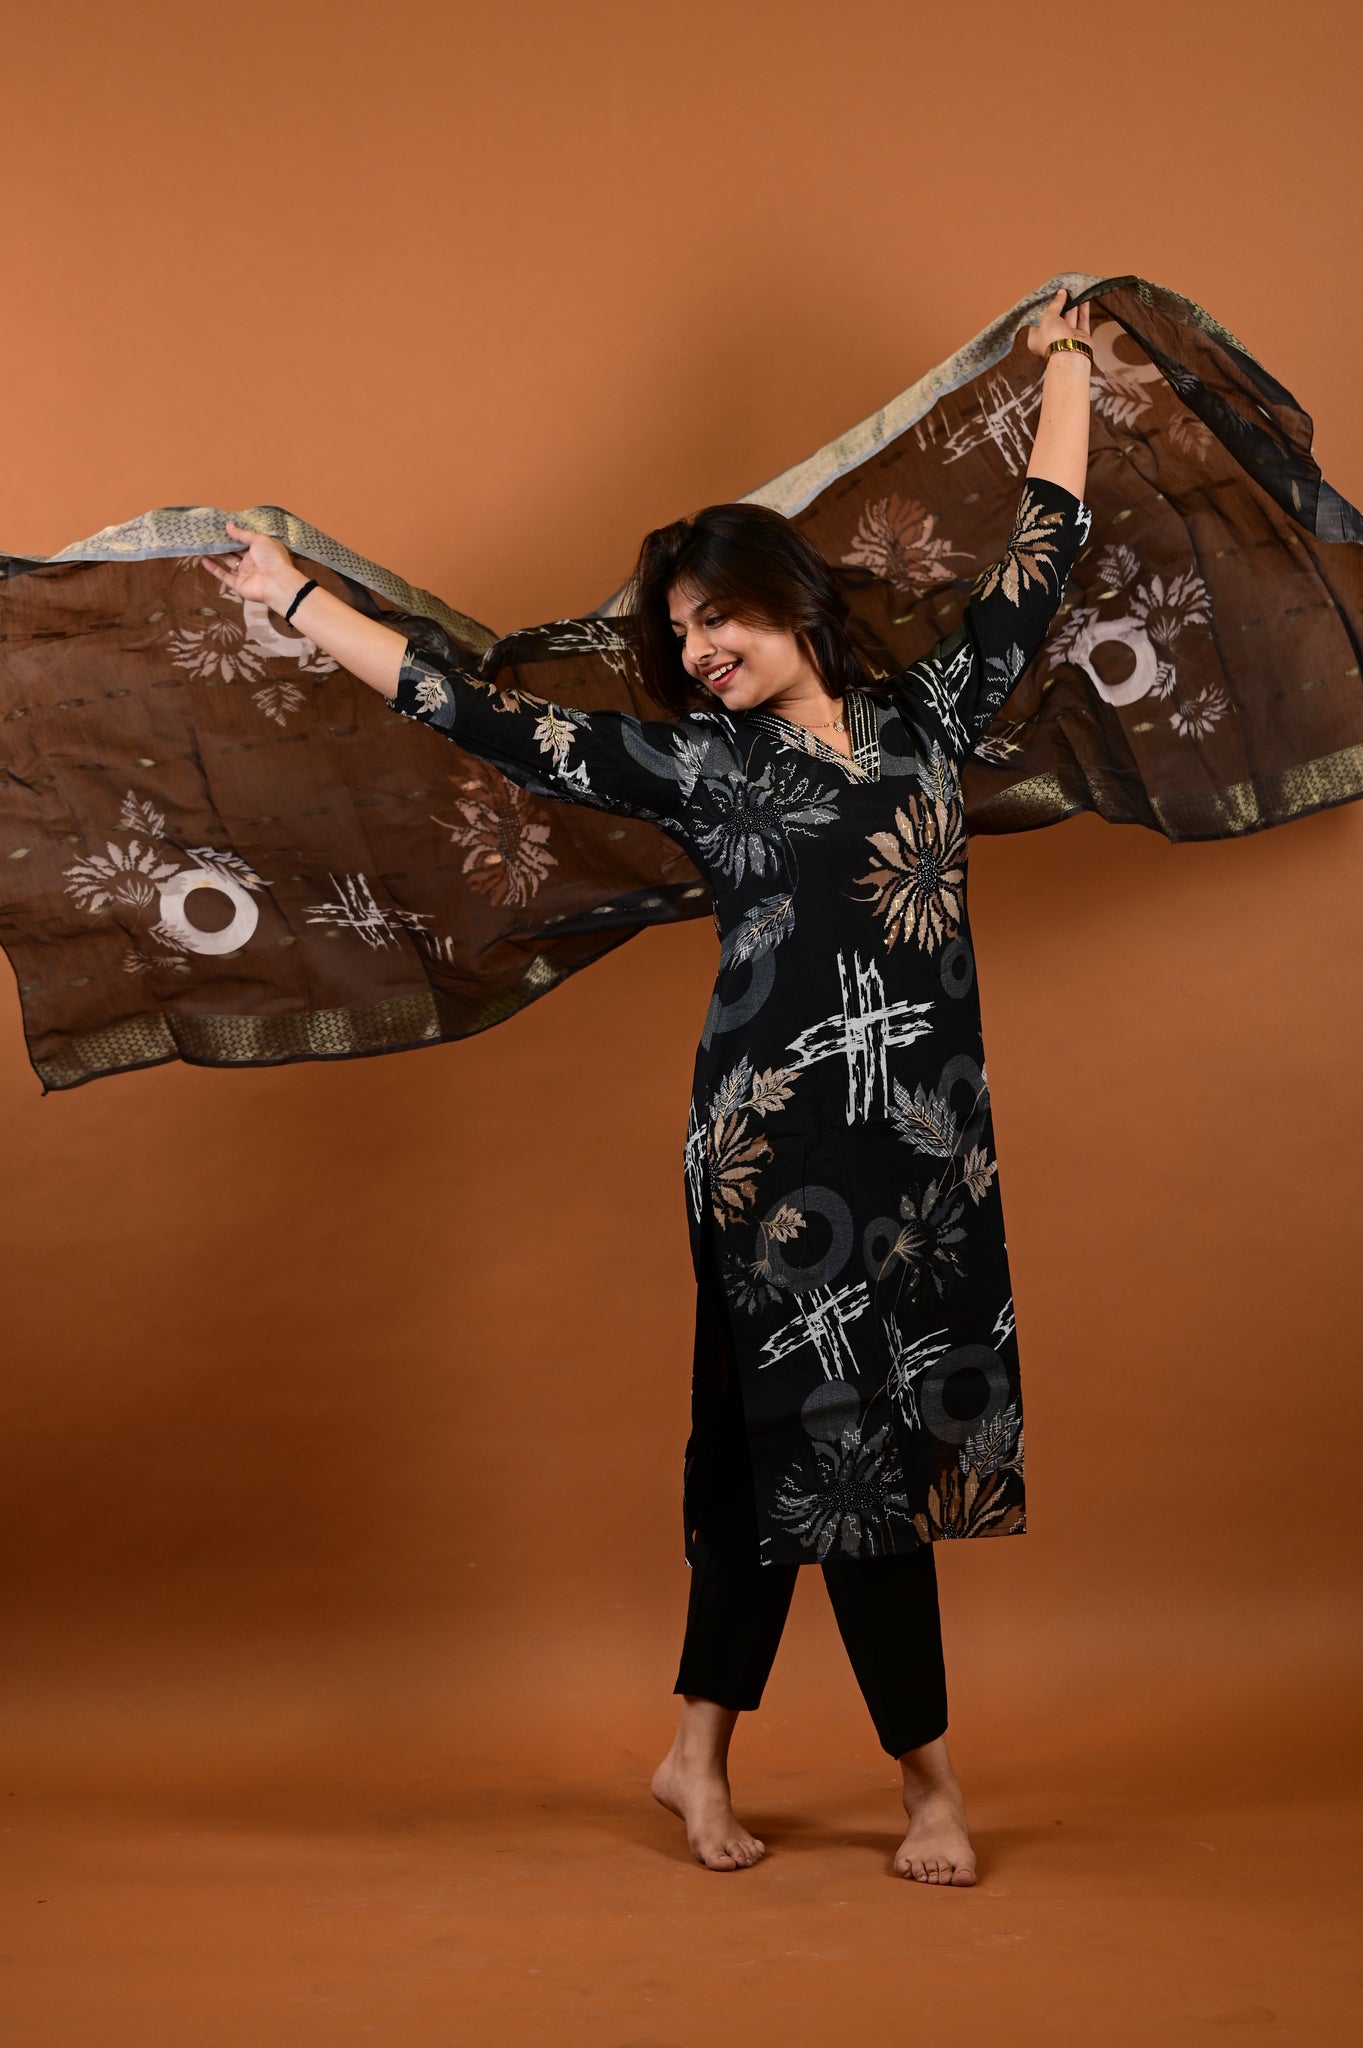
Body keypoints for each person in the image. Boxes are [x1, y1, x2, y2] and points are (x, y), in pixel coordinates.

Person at [202, 287, 1093, 1886]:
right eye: (677, 637)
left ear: (788, 601)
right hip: (774, 1156)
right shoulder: (704, 767)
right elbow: (484, 719)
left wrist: (1073, 366)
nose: (695, 655)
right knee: (843, 1445)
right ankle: (930, 1786)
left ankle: (693, 1753)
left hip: (923, 1148)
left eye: (714, 621)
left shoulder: (929, 722)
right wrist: (296, 601)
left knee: (767, 1444)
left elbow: (1045, 548)